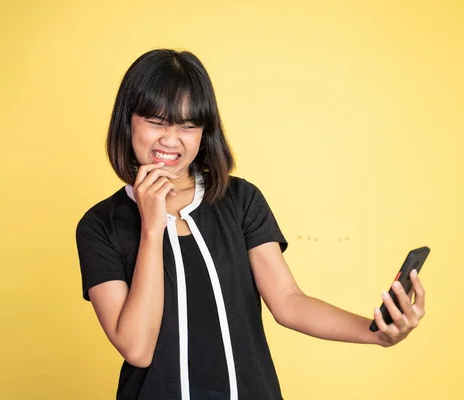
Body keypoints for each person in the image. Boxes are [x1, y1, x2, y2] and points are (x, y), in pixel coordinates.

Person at [75, 49, 426, 400]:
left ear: (204, 131)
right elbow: (137, 348)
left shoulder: (239, 199)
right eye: (156, 121)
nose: (170, 139)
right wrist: (152, 228)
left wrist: (376, 332)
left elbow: (288, 302)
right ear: (129, 120)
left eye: (187, 125)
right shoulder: (99, 226)